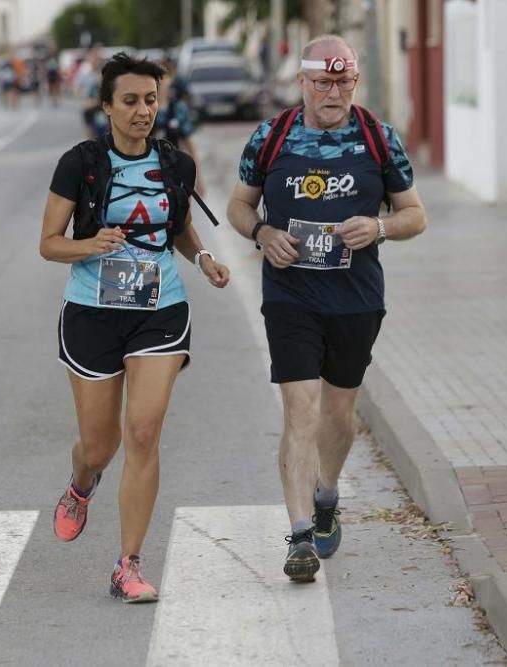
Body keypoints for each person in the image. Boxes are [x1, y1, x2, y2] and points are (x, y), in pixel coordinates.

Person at [225, 35, 426, 582]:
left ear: (354, 82)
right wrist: (263, 232)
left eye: (343, 81)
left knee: (339, 417)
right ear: (303, 83)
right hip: (290, 295)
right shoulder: (272, 136)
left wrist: (379, 226)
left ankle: (327, 493)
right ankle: (299, 539)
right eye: (322, 82)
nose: (332, 92)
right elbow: (239, 205)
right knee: (300, 410)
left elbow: (415, 215)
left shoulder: (378, 139)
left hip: (355, 299)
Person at [40, 53, 230, 603]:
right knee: (100, 447)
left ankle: (128, 564)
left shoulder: (176, 164)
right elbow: (49, 243)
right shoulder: (80, 163)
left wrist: (204, 260)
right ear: (106, 106)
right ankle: (83, 482)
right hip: (92, 313)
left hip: (159, 309)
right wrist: (89, 244)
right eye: (130, 101)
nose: (143, 110)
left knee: (143, 432)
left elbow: (182, 230)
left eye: (151, 100)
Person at [154, 73, 205, 195]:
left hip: (176, 165)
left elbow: (191, 147)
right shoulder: (147, 109)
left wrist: (200, 179)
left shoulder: (178, 108)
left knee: (182, 204)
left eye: (167, 85)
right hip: (153, 167)